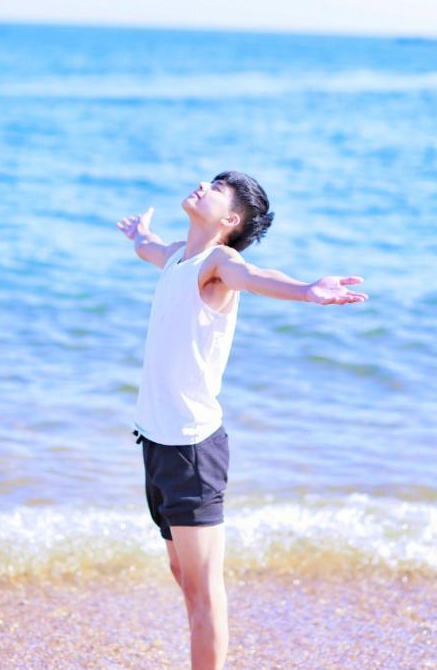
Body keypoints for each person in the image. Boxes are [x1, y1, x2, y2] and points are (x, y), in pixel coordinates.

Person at [116, 170, 368, 670]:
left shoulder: (219, 263)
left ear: (230, 220)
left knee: (204, 593)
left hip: (191, 449)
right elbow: (149, 249)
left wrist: (307, 289)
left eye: (216, 189)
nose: (203, 186)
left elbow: (254, 277)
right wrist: (140, 235)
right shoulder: (178, 256)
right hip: (157, 442)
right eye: (209, 181)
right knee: (183, 575)